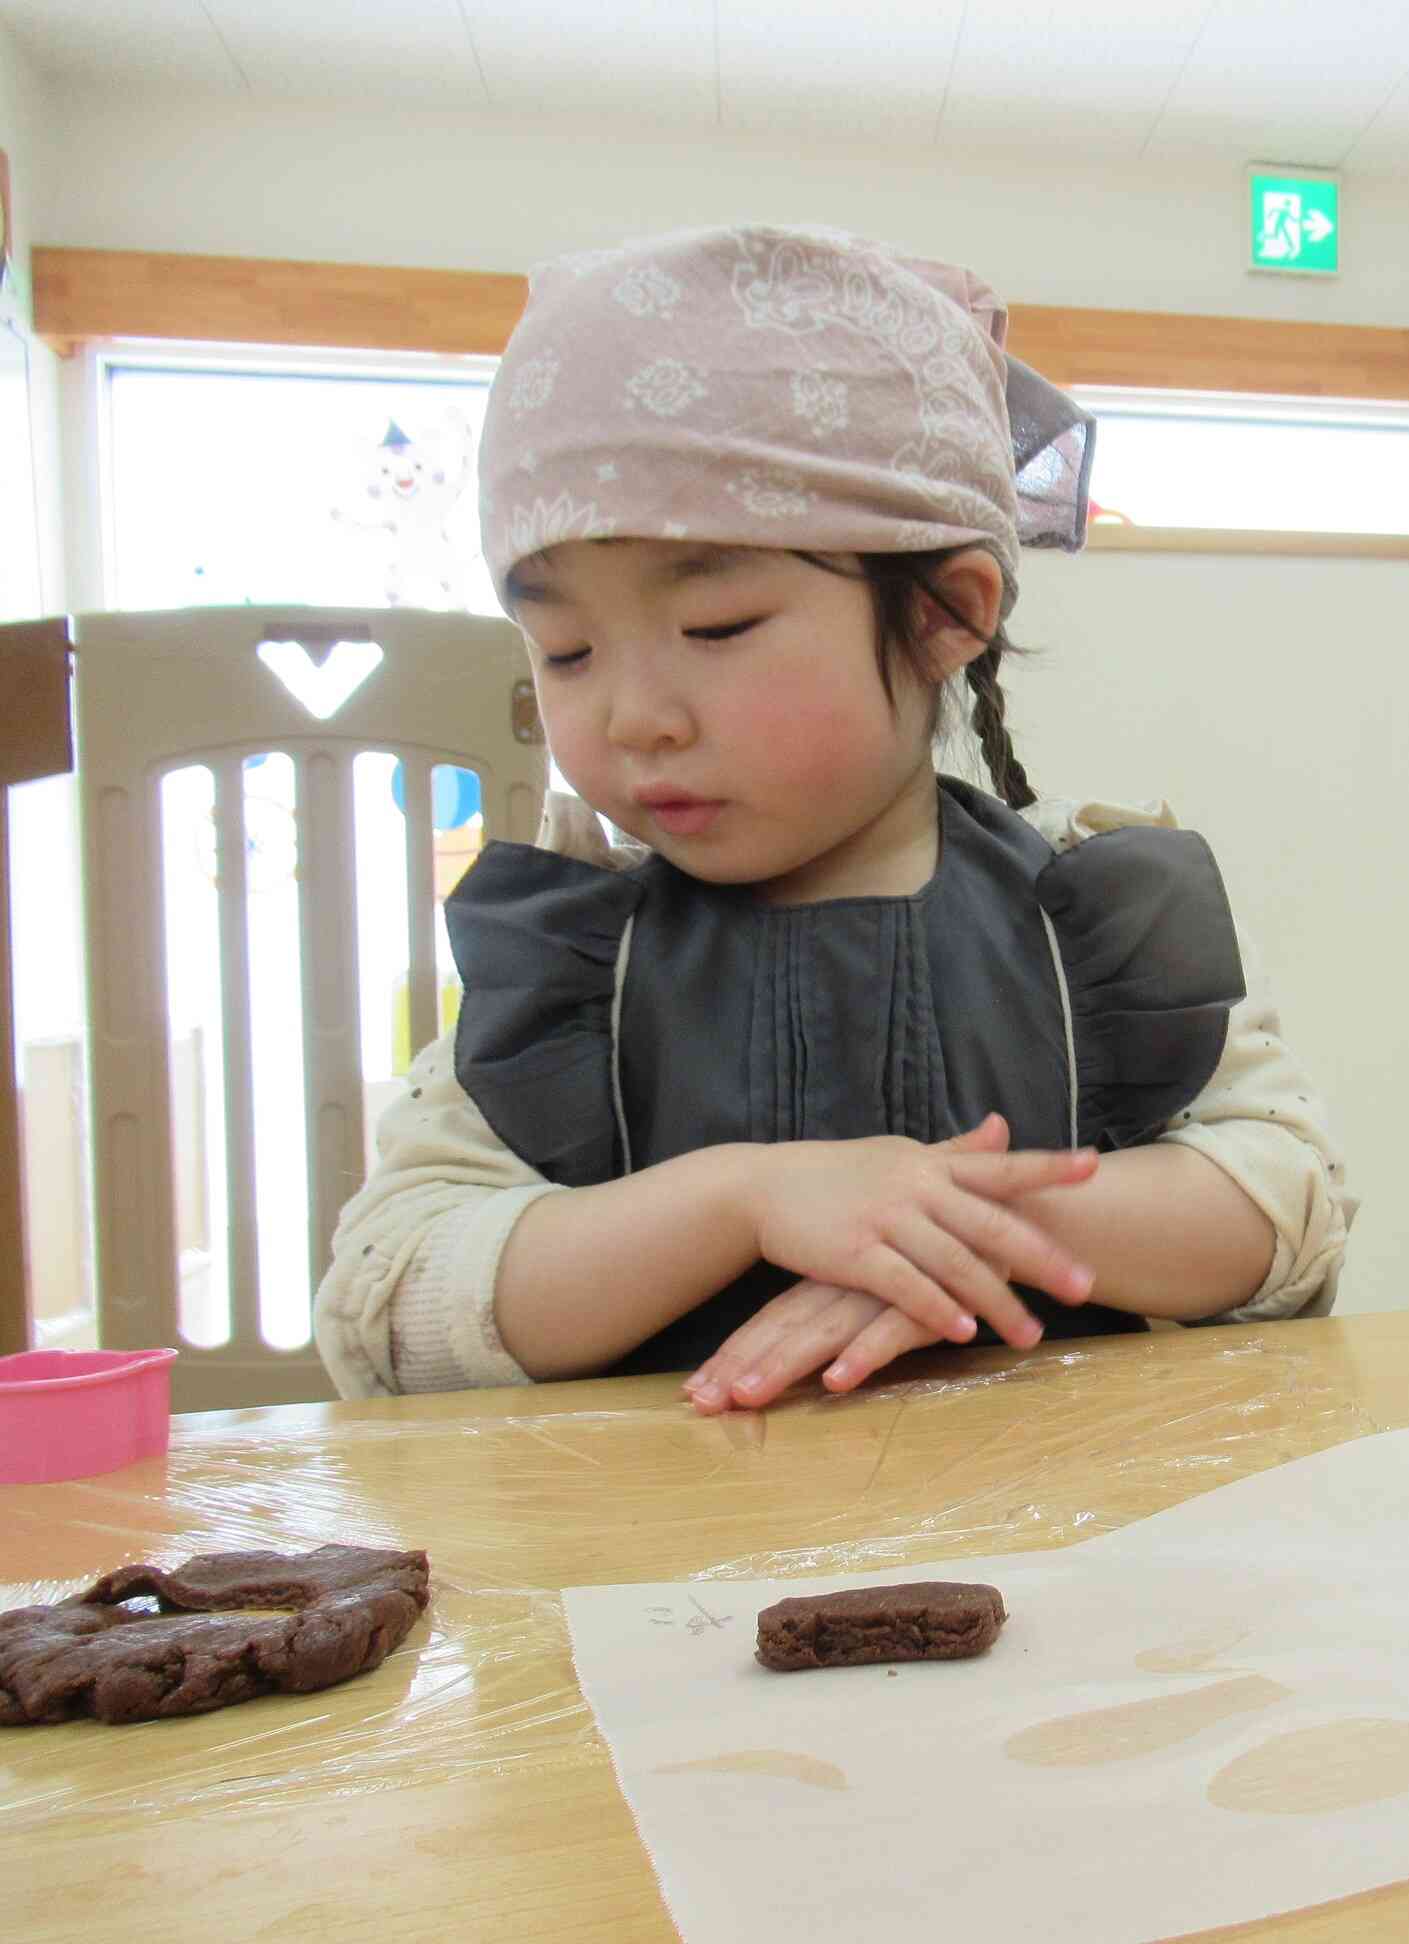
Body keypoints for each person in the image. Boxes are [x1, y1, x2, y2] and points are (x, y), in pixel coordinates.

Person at [317, 225, 1352, 1408]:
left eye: (716, 630)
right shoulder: (575, 959)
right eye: (566, 650)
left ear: (943, 616)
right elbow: (386, 1311)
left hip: (1063, 1550)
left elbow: (1285, 1211)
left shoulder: (1093, 914)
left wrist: (945, 1226)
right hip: (660, 1565)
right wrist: (746, 1202)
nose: (634, 716)